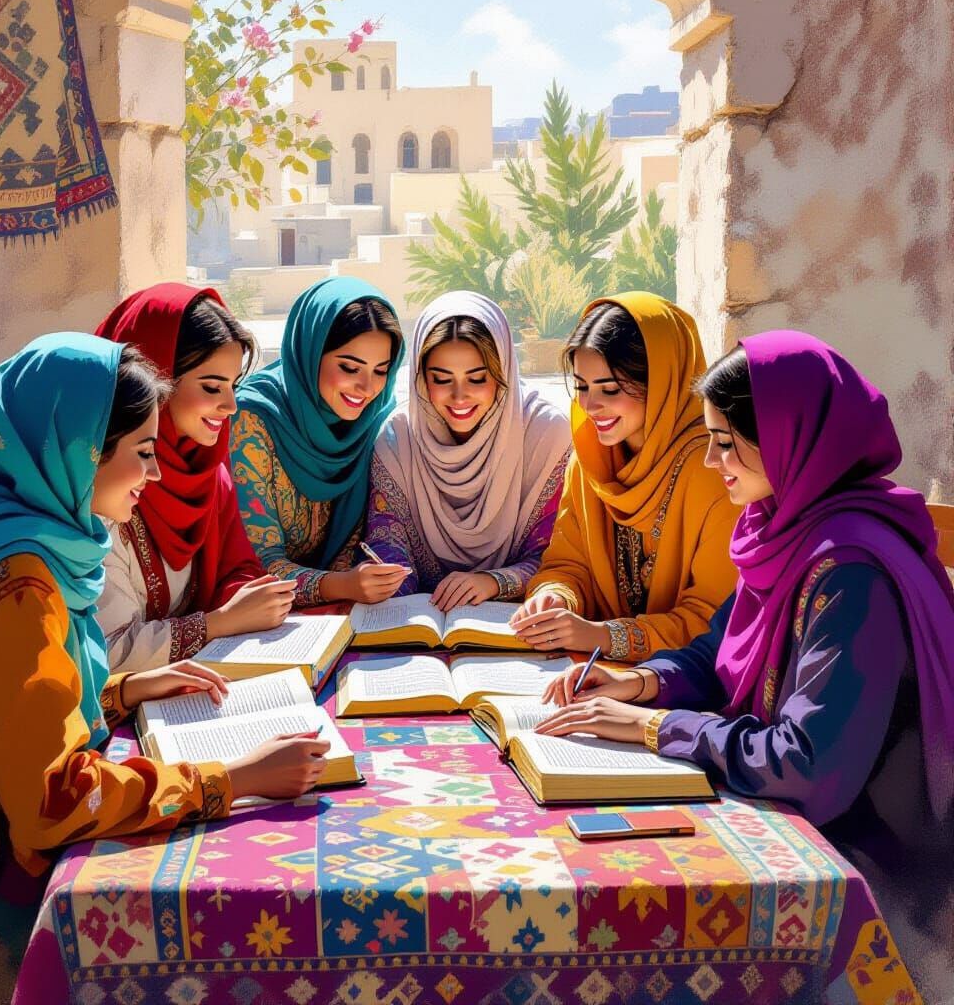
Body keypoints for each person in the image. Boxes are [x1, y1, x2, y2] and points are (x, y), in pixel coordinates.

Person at [536, 333, 954, 996]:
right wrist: (643, 682)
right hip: (794, 828)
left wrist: (652, 729)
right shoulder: (783, 529)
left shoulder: (851, 572)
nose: (711, 460)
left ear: (791, 438)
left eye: (727, 442)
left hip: (870, 873)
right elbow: (717, 649)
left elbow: (806, 765)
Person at [0, 335, 330, 1001]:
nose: (157, 474)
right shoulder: (25, 588)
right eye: (143, 454)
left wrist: (120, 691)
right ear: (81, 454)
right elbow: (50, 798)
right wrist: (234, 778)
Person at [511, 293, 738, 659]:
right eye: (582, 387)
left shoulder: (714, 469)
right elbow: (568, 564)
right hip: (596, 673)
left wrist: (606, 636)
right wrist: (555, 595)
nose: (589, 406)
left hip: (689, 682)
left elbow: (714, 619)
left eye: (610, 389)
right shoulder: (591, 461)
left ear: (663, 381)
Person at [94, 284, 295, 672]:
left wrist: (252, 600)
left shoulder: (208, 475)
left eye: (233, 386)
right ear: (157, 375)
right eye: (211, 387)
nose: (231, 405)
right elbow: (107, 651)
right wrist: (221, 623)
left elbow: (236, 570)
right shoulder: (105, 485)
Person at [364, 291, 570, 609]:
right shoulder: (397, 438)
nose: (460, 397)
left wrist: (494, 582)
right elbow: (390, 548)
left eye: (477, 379)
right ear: (420, 379)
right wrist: (385, 583)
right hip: (421, 620)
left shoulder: (547, 435)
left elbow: (560, 560)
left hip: (518, 621)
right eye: (441, 379)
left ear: (502, 373)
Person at [231, 277, 409, 606]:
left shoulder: (376, 420)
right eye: (349, 367)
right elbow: (258, 568)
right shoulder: (252, 418)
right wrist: (340, 585)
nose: (367, 388)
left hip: (339, 615)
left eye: (381, 370)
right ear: (311, 353)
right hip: (255, 615)